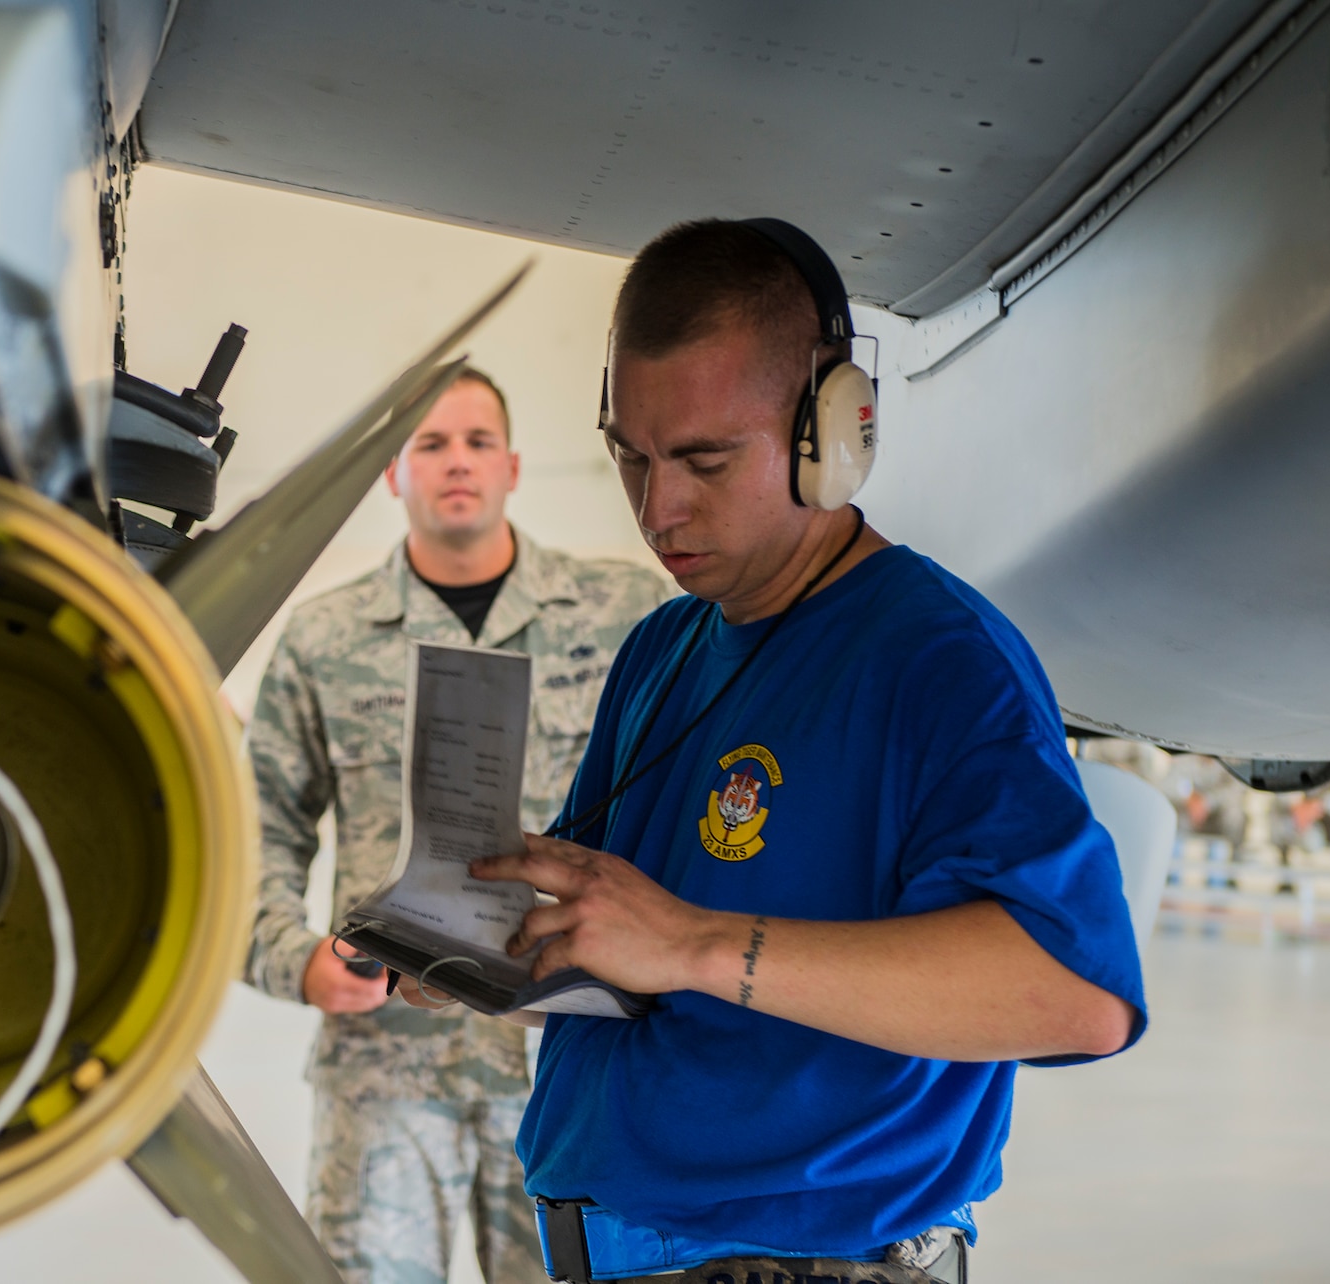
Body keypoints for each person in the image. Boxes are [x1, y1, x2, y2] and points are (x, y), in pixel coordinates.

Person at [402, 221, 1147, 1284]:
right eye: (630, 456)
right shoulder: (667, 645)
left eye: (704, 461)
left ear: (830, 435)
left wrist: (696, 945)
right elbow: (629, 949)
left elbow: (1073, 994)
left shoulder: (935, 658)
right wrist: (481, 949)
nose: (658, 509)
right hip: (603, 1246)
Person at [247, 367, 672, 1284]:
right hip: (384, 1073)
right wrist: (296, 960)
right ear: (395, 474)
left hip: (569, 1063)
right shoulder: (323, 639)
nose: (457, 463)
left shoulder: (625, 618)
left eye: (478, 442)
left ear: (514, 467)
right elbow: (258, 834)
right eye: (431, 444)